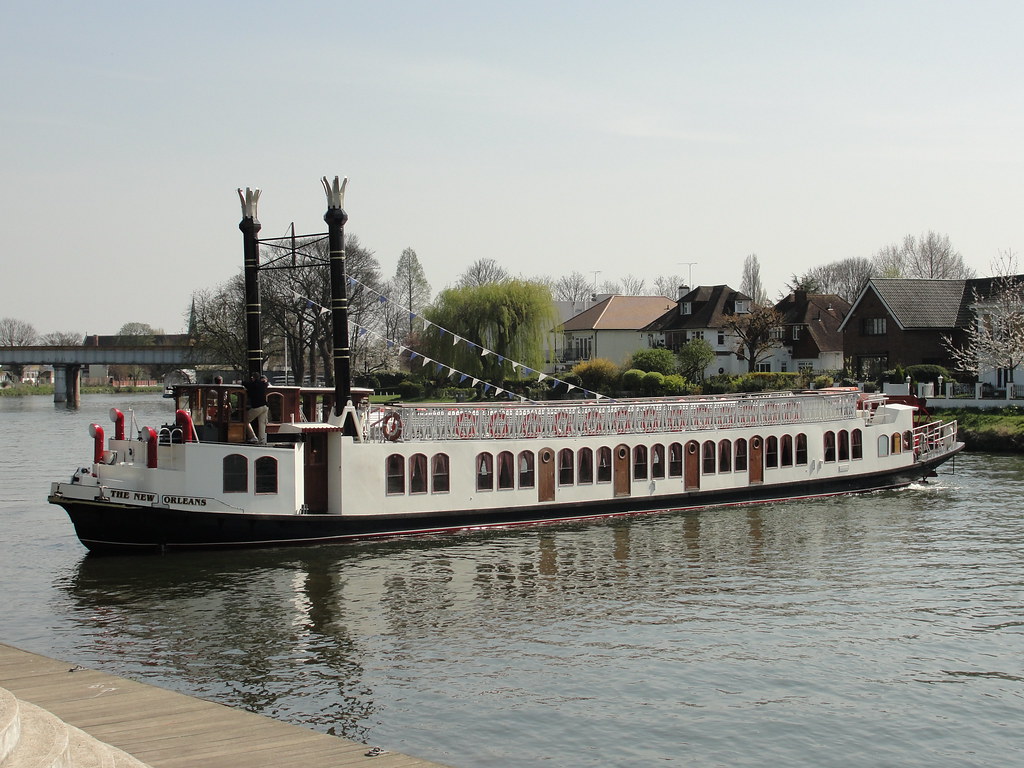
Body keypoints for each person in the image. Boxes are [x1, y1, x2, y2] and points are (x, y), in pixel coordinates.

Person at [243, 373, 270, 444]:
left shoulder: (253, 384)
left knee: (245, 420)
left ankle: (253, 437)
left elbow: (245, 384)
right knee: (262, 423)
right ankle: (262, 440)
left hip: (257, 406)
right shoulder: (264, 384)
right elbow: (266, 384)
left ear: (253, 378)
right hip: (265, 406)